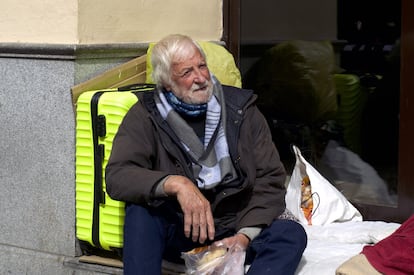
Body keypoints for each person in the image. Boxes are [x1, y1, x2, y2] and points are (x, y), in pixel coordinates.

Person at [105, 34, 307, 274]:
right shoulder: (146, 115)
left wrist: (244, 237)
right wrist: (176, 184)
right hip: (182, 229)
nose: (200, 78)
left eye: (202, 66)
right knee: (140, 212)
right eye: (187, 72)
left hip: (234, 225)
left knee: (290, 233)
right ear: (167, 82)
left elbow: (270, 179)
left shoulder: (241, 109)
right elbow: (118, 175)